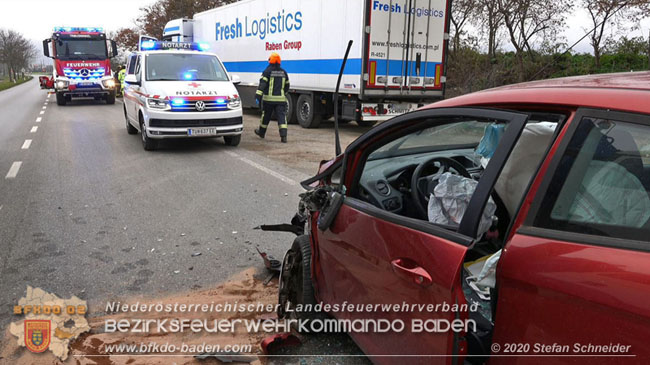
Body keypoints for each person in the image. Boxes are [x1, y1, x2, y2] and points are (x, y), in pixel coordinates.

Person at [254, 53, 290, 143]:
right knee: (282, 117)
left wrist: (258, 96)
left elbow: (262, 84)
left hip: (268, 100)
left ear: (270, 60)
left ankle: (261, 133)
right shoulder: (284, 72)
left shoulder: (267, 71)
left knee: (266, 116)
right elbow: (287, 85)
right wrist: (283, 94)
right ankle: (283, 136)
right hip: (281, 100)